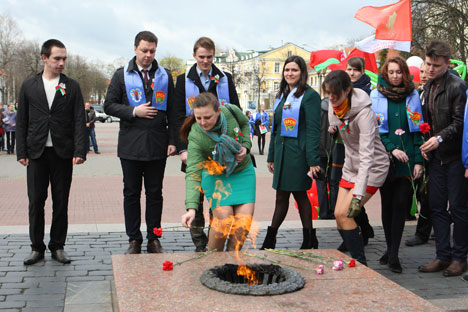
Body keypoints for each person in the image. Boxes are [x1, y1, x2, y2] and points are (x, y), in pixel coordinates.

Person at [104, 31, 176, 254]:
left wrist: (173, 140)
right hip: (131, 145)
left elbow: (173, 112)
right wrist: (134, 111)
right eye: (144, 50)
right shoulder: (121, 75)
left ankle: (154, 238)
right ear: (135, 48)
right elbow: (109, 105)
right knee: (131, 193)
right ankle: (134, 239)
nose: (148, 55)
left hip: (157, 144)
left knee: (155, 193)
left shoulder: (165, 75)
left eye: (152, 51)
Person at [16, 39, 87, 265]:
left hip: (62, 152)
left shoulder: (71, 86)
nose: (61, 62)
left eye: (64, 58)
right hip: (36, 152)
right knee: (36, 201)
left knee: (61, 201)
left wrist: (80, 150)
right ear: (44, 58)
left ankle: (58, 246)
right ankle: (37, 247)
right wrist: (21, 151)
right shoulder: (29, 85)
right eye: (57, 58)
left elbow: (78, 119)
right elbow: (22, 120)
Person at [174, 36, 240, 252]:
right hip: (194, 143)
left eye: (209, 57)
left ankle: (214, 239)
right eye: (201, 56)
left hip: (220, 148)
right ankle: (199, 242)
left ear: (214, 56)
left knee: (217, 194)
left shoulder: (225, 78)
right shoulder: (183, 79)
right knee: (197, 193)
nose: (205, 61)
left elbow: (235, 111)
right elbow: (176, 116)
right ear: (194, 55)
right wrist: (182, 148)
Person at [323, 70, 389, 265]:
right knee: (338, 214)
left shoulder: (364, 114)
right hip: (351, 166)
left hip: (373, 167)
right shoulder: (333, 106)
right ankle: (359, 237)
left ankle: (360, 262)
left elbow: (367, 156)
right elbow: (339, 128)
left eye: (336, 94)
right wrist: (334, 128)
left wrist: (358, 195)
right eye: (328, 93)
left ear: (348, 90)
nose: (332, 98)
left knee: (345, 214)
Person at [418, 40, 468, 277]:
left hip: (455, 156)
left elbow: (460, 123)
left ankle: (459, 258)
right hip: (436, 157)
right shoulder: (427, 87)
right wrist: (426, 140)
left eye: (436, 66)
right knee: (436, 207)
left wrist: (438, 138)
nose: (430, 69)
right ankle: (442, 255)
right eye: (428, 64)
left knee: (458, 208)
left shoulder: (458, 86)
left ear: (447, 64)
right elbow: (425, 119)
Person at [180, 92, 255, 251]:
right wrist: (191, 208)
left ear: (218, 111)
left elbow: (244, 124)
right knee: (223, 218)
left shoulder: (231, 111)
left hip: (242, 172)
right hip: (215, 175)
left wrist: (246, 146)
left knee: (243, 223)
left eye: (207, 117)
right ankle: (213, 261)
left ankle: (231, 263)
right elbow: (193, 172)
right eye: (198, 117)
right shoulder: (196, 134)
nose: (202, 122)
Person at [261, 55, 321, 250]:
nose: (290, 73)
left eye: (294, 70)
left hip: (299, 155)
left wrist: (313, 160)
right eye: (287, 70)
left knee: (298, 194)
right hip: (282, 154)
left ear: (302, 72)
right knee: (283, 196)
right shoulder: (282, 95)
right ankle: (279, 237)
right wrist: (271, 156)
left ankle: (304, 237)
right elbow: (275, 129)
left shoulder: (310, 96)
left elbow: (313, 130)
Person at [371, 56, 424, 273]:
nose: (395, 76)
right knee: (387, 205)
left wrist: (418, 160)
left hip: (408, 159)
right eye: (391, 72)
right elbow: (375, 130)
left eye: (399, 72)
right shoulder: (375, 95)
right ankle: (390, 247)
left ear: (404, 73)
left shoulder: (412, 96)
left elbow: (419, 129)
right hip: (385, 158)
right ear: (385, 74)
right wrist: (392, 148)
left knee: (401, 205)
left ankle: (393, 254)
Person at [335, 57, 375, 251]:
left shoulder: (367, 94)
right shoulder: (341, 91)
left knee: (352, 204)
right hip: (349, 153)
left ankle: (360, 238)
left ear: (363, 71)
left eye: (356, 70)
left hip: (367, 151)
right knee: (342, 210)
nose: (351, 73)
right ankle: (362, 231)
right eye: (349, 69)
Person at [406, 62, 433, 247]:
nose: (423, 74)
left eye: (426, 71)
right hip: (421, 147)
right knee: (423, 192)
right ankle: (423, 231)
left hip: (435, 146)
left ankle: (430, 229)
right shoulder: (419, 93)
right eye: (421, 71)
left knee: (430, 194)